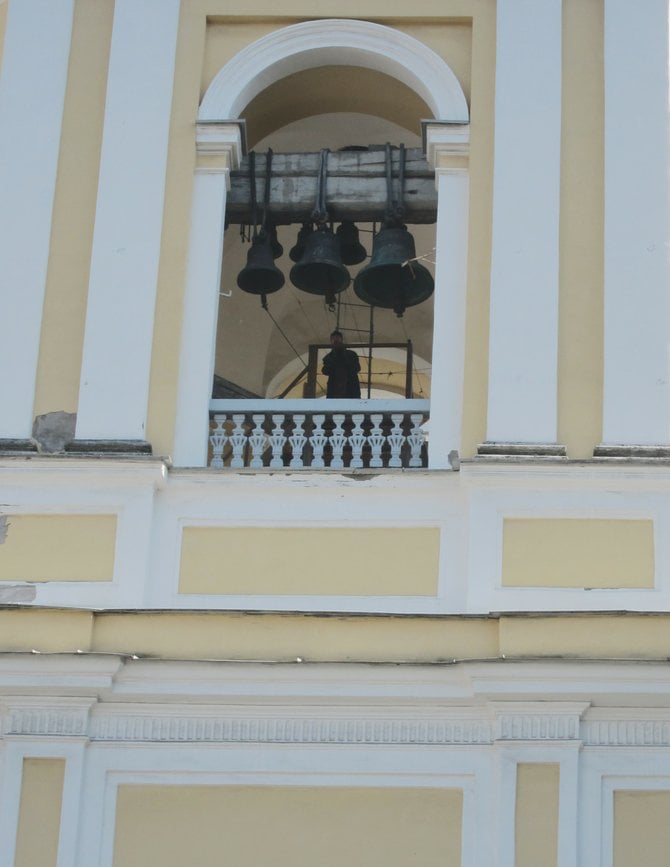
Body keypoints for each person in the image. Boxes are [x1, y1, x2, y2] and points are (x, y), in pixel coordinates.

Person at [321, 330, 361, 398]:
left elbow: (357, 368)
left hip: (350, 388)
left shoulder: (351, 354)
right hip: (335, 389)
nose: (336, 341)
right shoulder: (329, 357)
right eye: (334, 339)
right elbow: (325, 371)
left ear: (341, 340)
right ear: (331, 341)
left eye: (337, 339)